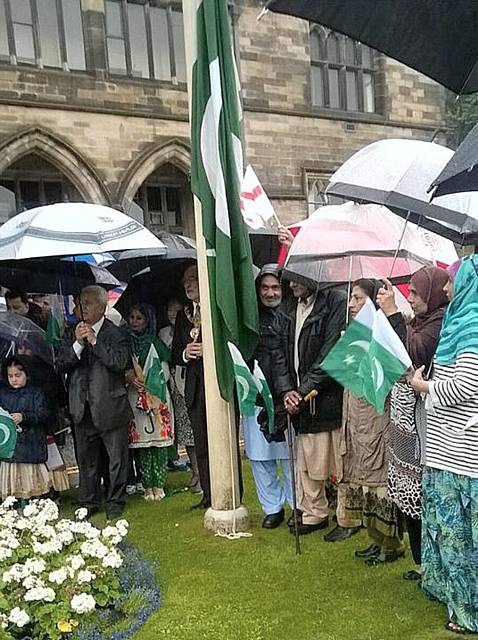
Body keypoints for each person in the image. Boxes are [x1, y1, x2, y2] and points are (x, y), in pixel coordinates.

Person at [411, 256, 478, 635]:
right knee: (449, 536)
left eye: (453, 281)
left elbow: (467, 386)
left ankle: (469, 615)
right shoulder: (459, 323)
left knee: (462, 541)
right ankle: (456, 603)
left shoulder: (471, 325)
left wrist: (425, 387)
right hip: (447, 451)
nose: (447, 289)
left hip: (463, 456)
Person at [377, 267, 449, 577]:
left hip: (424, 427)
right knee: (409, 494)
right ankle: (423, 564)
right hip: (405, 424)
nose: (411, 298)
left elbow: (413, 352)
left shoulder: (439, 323)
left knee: (420, 495)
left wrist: (393, 313)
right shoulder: (420, 321)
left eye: (416, 294)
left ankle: (428, 565)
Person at [327, 279, 403, 564]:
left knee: (378, 481)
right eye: (351, 298)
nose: (351, 304)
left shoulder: (383, 334)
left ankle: (391, 543)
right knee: (361, 479)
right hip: (354, 416)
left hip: (375, 417)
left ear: (372, 301)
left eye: (358, 298)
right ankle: (375, 538)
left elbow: (387, 374)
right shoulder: (356, 333)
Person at [274, 278, 347, 535]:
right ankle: (314, 512)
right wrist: (287, 391)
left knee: (339, 461)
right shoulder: (287, 307)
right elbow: (278, 353)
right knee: (307, 461)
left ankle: (346, 516)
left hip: (327, 396)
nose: (292, 284)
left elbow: (331, 353)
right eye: (289, 278)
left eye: (297, 278)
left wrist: (302, 391)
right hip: (299, 397)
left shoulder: (336, 301)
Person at [57, 285, 132, 520]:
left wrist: (95, 341)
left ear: (102, 306)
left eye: (88, 303)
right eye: (80, 303)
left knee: (115, 458)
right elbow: (61, 363)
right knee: (86, 458)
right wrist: (78, 344)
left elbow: (119, 363)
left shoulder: (116, 333)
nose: (82, 308)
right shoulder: (72, 331)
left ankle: (115, 500)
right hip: (82, 406)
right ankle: (89, 501)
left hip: (109, 405)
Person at [244, 264, 293, 529]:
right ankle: (272, 508)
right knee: (260, 455)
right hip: (257, 394)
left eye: (275, 287)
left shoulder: (292, 316)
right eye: (265, 287)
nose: (270, 293)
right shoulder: (250, 319)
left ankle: (298, 505)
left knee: (289, 455)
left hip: (286, 394)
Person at [171, 264, 211, 509]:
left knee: (220, 442)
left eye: (194, 279)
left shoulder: (214, 309)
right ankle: (208, 495)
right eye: (186, 279)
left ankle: (229, 490)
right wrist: (186, 353)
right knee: (201, 443)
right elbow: (175, 352)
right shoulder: (183, 314)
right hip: (194, 387)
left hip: (216, 386)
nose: (188, 284)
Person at [126, 303, 174, 502]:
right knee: (142, 445)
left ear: (147, 320)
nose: (135, 322)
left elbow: (166, 370)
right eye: (132, 318)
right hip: (134, 396)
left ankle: (159, 483)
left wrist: (151, 382)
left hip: (157, 396)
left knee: (159, 444)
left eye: (139, 318)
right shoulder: (126, 343)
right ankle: (146, 485)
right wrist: (129, 377)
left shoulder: (155, 342)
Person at [159, 298, 200, 494]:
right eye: (170, 312)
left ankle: (203, 472)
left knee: (198, 430)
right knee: (186, 431)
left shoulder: (197, 324)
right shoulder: (163, 334)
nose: (173, 315)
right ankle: (196, 470)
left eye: (177, 311)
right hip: (176, 385)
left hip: (193, 381)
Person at [0, 356, 51, 502]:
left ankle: (30, 505)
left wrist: (24, 417)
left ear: (27, 374)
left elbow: (43, 414)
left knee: (29, 482)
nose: (14, 379)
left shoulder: (36, 392)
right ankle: (13, 506)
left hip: (31, 444)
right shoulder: (3, 393)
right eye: (10, 376)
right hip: (10, 446)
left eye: (18, 375)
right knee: (11, 480)